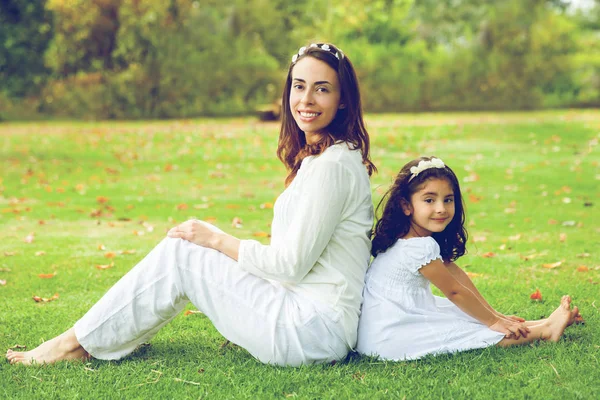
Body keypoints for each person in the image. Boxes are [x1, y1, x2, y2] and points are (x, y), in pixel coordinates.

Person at [7, 42, 377, 367]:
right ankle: (99, 340)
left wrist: (216, 239)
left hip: (310, 331)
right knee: (185, 247)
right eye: (299, 86)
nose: (306, 100)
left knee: (184, 252)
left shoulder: (333, 166)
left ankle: (74, 344)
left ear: (342, 100)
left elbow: (289, 265)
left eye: (322, 89)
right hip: (309, 318)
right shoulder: (327, 158)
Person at [356, 156, 580, 361]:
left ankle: (546, 323)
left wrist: (495, 314)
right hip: (392, 337)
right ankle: (545, 331)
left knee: (468, 317)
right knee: (467, 331)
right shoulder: (417, 247)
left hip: (384, 326)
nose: (441, 208)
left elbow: (458, 277)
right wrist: (493, 322)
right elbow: (454, 291)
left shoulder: (409, 238)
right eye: (429, 200)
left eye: (448, 199)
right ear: (406, 206)